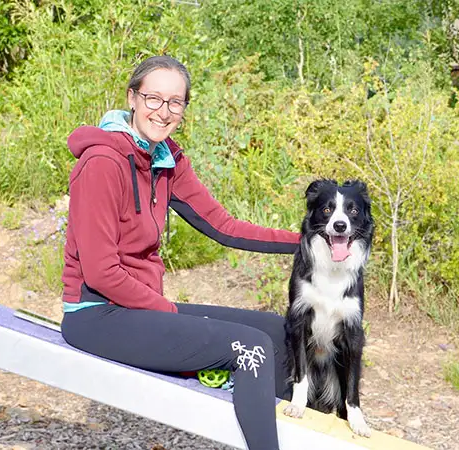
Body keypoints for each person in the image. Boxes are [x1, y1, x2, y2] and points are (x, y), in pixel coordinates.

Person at [60, 55, 300, 450]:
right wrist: (167, 312)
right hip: (96, 315)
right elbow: (101, 273)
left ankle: (295, 433)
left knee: (276, 329)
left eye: (176, 102)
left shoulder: (166, 159)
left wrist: (308, 241)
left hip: (138, 308)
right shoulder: (102, 163)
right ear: (132, 98)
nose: (164, 111)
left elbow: (223, 226)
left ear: (184, 108)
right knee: (250, 348)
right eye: (154, 98)